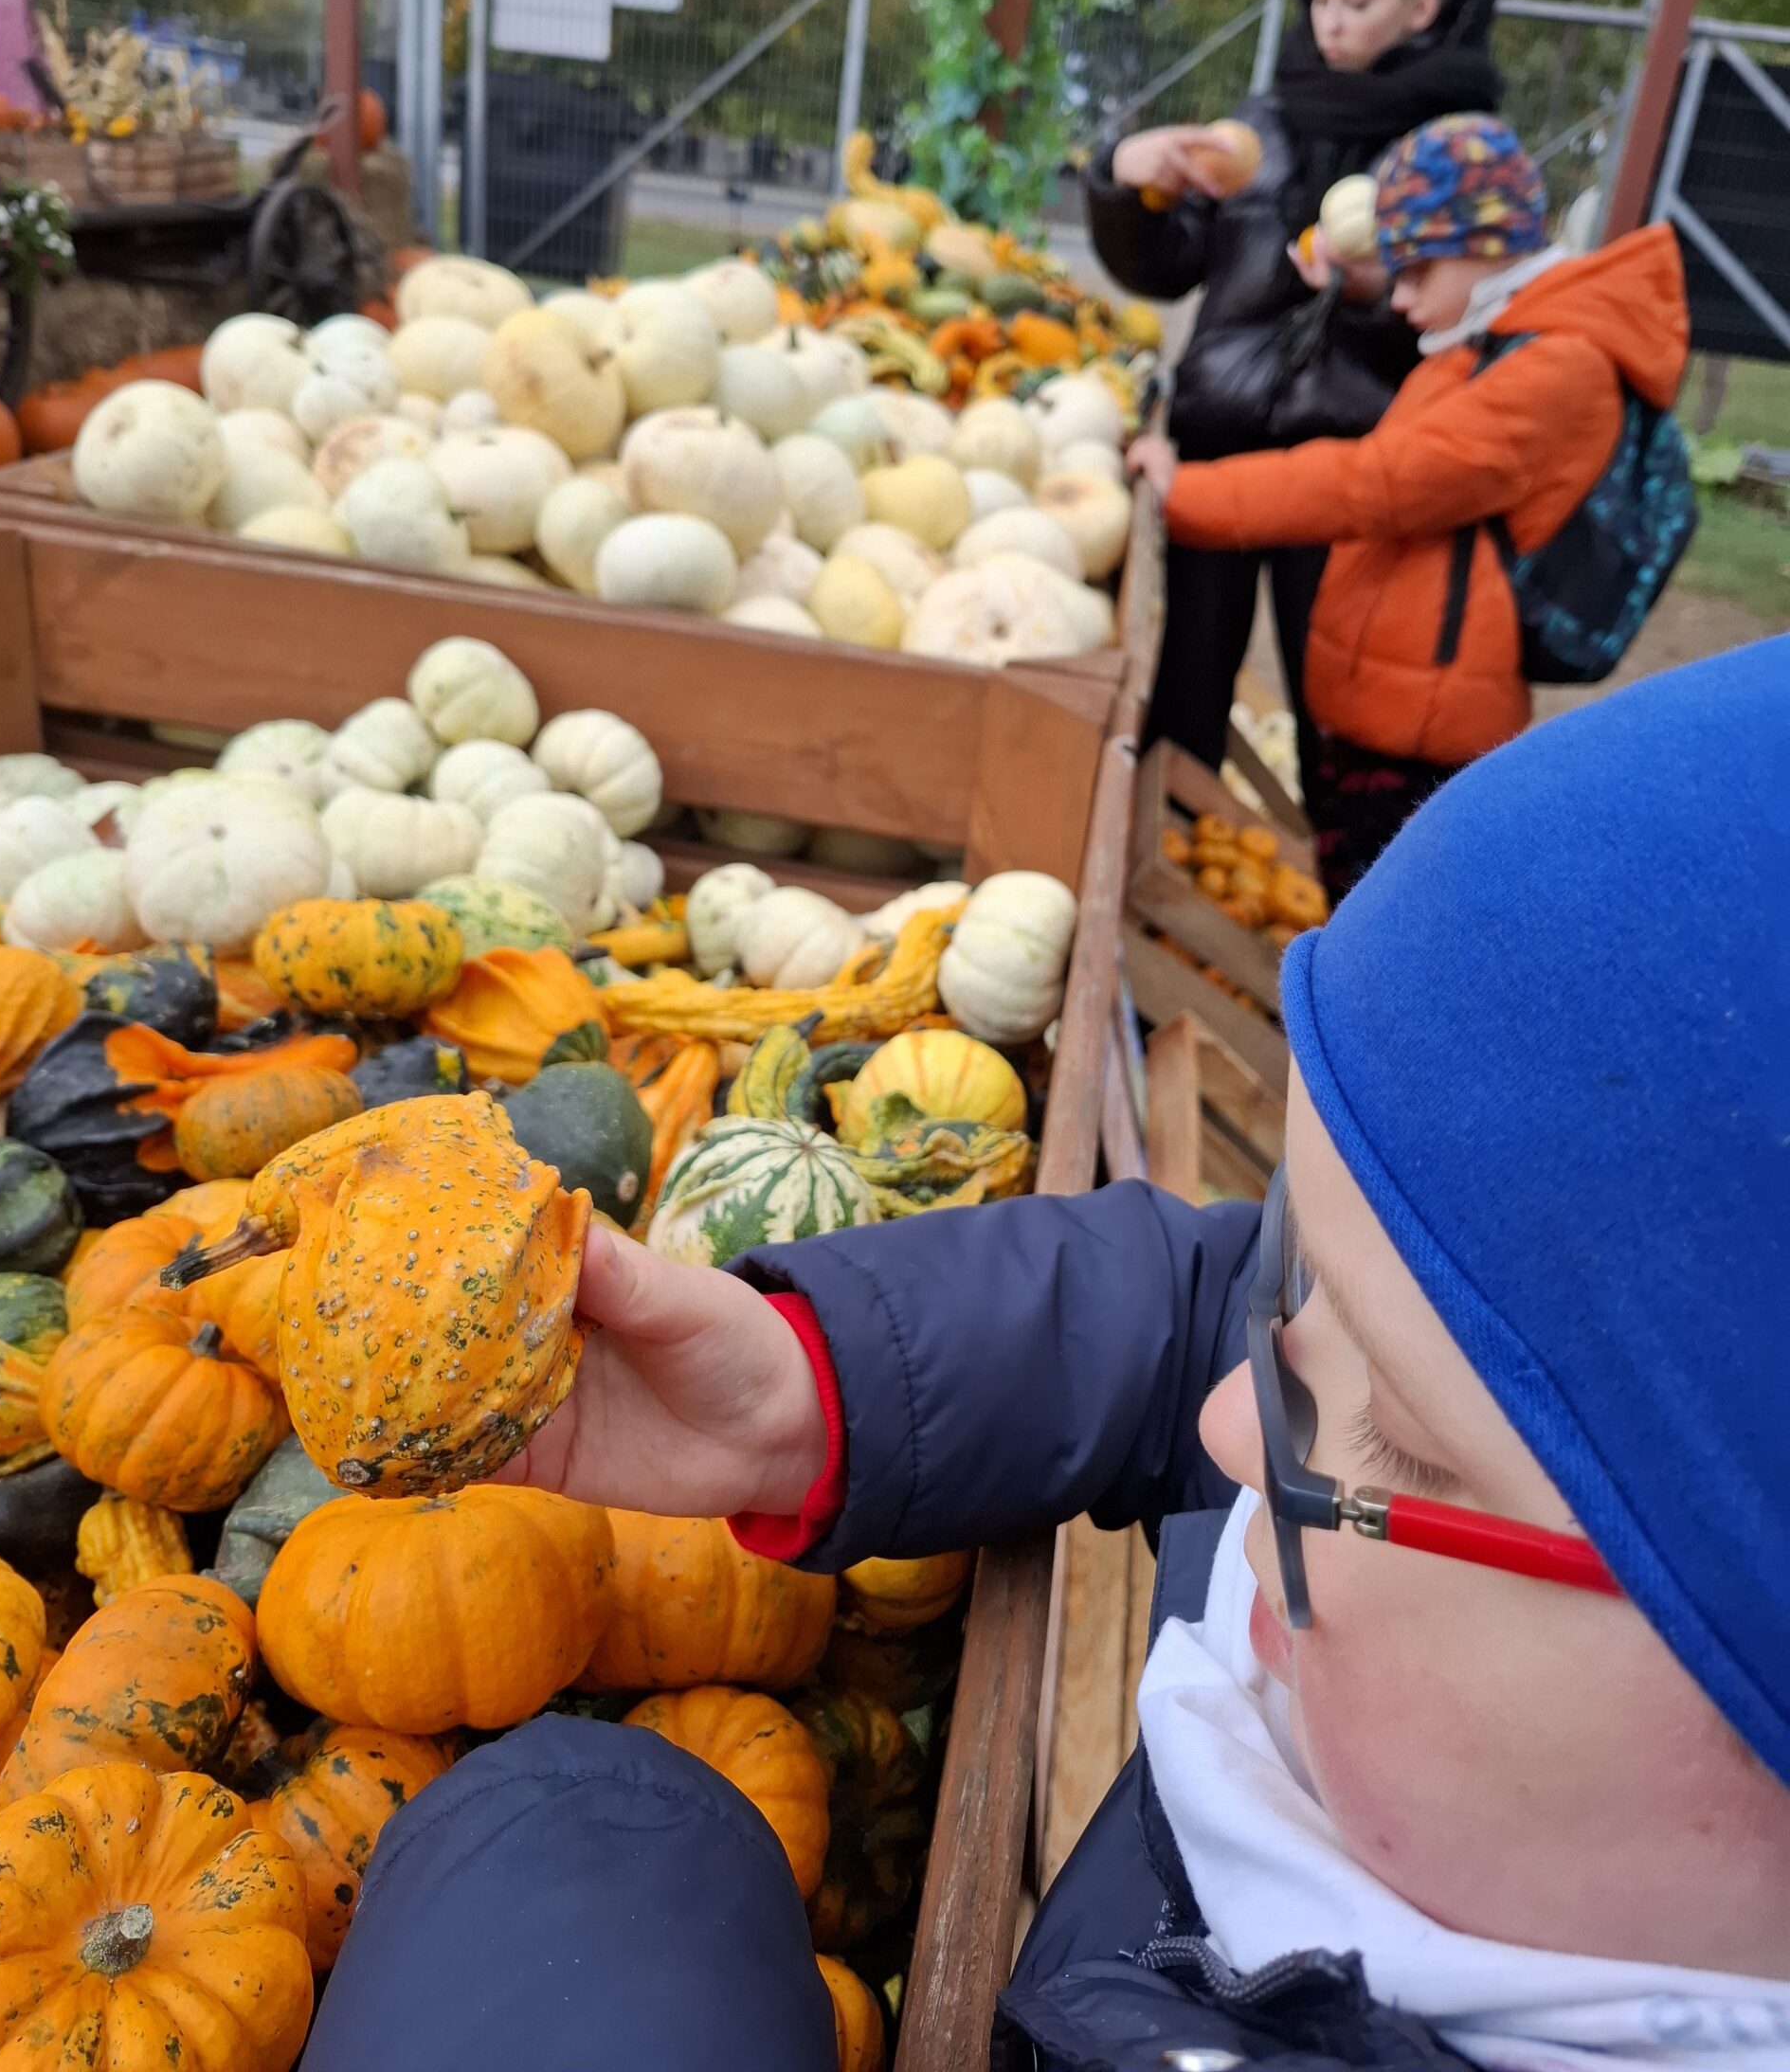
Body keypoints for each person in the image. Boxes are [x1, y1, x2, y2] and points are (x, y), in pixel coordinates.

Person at [301, 640, 1790, 2072]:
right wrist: (815, 1391)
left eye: (1392, 1440)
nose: (1229, 1421)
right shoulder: (1460, 1653)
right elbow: (1197, 1297)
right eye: (1302, 1282)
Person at [1133, 112, 1691, 900]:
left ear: (1485, 245)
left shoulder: (1555, 366)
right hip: (1395, 696)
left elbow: (1381, 481)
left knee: (1384, 920)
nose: (1399, 298)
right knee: (1353, 897)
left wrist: (1190, 492)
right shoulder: (1492, 336)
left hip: (1421, 724)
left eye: (1415, 271)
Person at [1088, 0, 1502, 784]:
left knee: (1334, 705)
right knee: (1184, 689)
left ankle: (1341, 892)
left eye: (1359, 3)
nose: (1331, 22)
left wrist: (1368, 296)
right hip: (1215, 443)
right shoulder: (1263, 122)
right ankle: (1171, 871)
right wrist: (1129, 187)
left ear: (1421, 8)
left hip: (1345, 469)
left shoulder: (1450, 151)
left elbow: (1464, 331)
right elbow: (1169, 266)